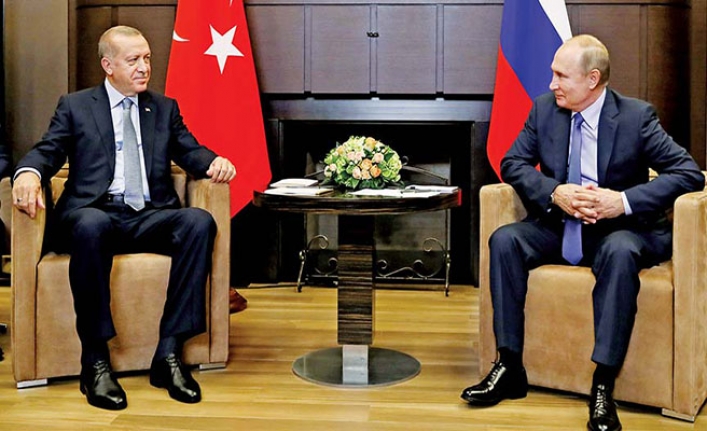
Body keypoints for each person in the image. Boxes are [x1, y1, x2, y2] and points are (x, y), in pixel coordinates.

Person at [460, 35, 704, 431]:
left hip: (618, 231)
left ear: (592, 79)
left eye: (561, 76)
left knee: (620, 251)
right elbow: (512, 162)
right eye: (553, 74)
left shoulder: (635, 117)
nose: (552, 83)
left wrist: (621, 201)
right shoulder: (544, 110)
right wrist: (554, 192)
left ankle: (603, 385)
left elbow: (688, 173)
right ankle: (509, 367)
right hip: (559, 226)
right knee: (505, 239)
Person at [12, 25, 236, 411]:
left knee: (198, 222)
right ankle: (95, 361)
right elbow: (48, 150)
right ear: (108, 65)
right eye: (133, 60)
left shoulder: (163, 108)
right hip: (95, 214)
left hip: (149, 215)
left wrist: (214, 161)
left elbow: (189, 150)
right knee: (92, 224)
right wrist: (29, 173)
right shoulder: (76, 106)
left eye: (147, 58)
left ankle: (168, 354)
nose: (144, 67)